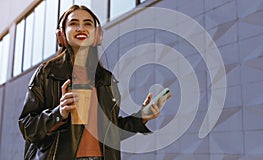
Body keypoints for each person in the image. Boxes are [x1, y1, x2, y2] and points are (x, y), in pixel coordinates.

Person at [18, 5, 171, 160]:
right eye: (73, 23)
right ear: (62, 34)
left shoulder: (106, 79)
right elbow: (27, 127)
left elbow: (111, 132)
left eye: (88, 24)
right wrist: (59, 113)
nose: (81, 28)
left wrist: (142, 117)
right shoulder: (46, 73)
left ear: (97, 35)